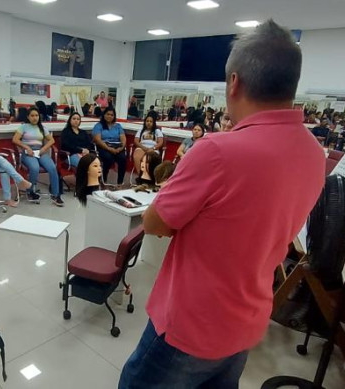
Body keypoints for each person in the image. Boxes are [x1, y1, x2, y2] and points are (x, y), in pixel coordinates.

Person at [118, 20, 325, 389]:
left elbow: (154, 223)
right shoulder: (313, 153)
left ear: (234, 82)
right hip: (246, 322)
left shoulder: (216, 150)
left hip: (191, 326)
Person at [12, 107, 64, 206]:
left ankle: (56, 194)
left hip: (40, 152)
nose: (35, 118)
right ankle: (30, 191)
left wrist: (44, 149)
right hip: (28, 153)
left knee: (52, 168)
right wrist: (26, 147)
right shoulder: (23, 127)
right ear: (28, 117)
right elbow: (15, 139)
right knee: (34, 168)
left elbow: (52, 140)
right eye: (32, 116)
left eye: (36, 115)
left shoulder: (42, 127)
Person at [92, 107, 127, 184]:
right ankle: (103, 179)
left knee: (123, 158)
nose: (109, 116)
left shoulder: (118, 126)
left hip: (117, 147)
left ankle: (120, 182)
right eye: (108, 114)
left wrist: (121, 148)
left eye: (112, 115)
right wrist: (109, 149)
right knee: (108, 158)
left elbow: (123, 138)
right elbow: (97, 140)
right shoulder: (98, 126)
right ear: (104, 115)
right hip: (104, 147)